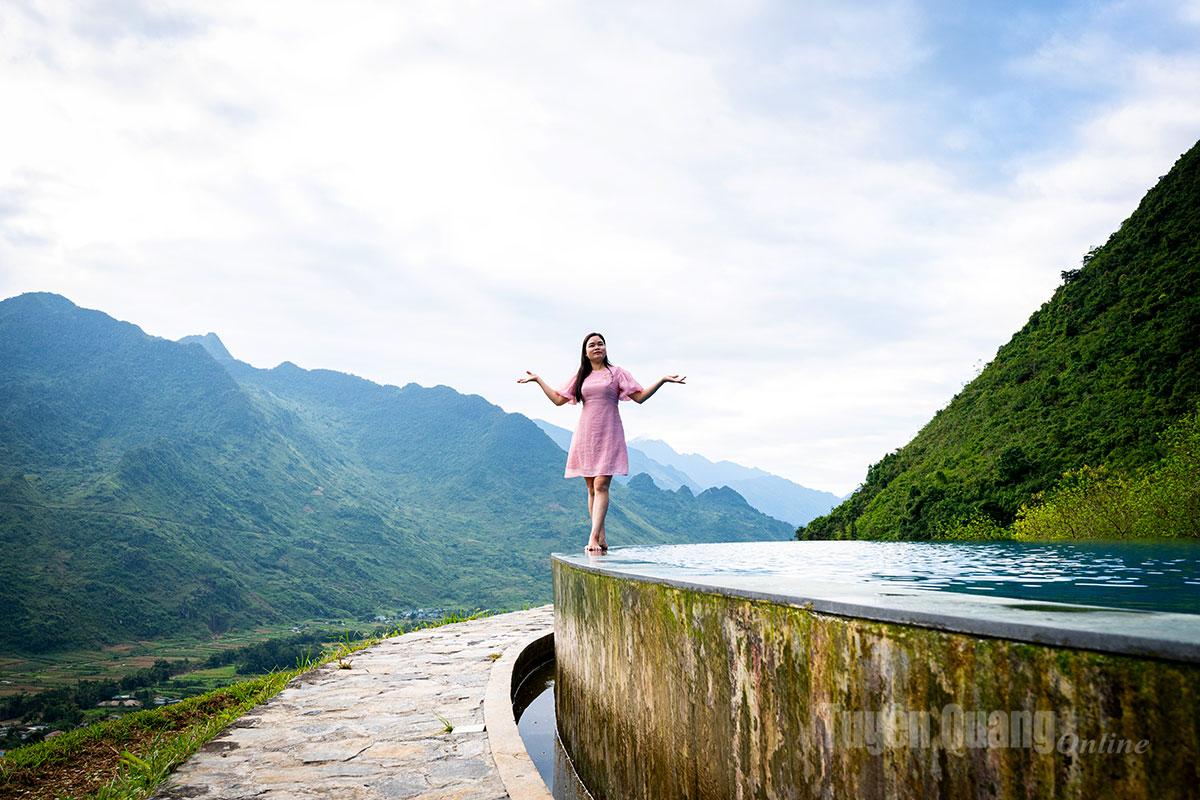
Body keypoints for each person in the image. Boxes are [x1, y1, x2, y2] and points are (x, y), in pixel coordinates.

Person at [519, 332, 685, 554]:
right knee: (590, 487)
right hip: (586, 434)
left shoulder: (616, 373)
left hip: (609, 432)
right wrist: (538, 380)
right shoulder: (581, 376)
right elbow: (558, 400)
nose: (597, 347)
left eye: (600, 344)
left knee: (601, 485)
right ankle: (602, 536)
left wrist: (663, 380)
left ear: (606, 348)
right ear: (585, 352)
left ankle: (593, 536)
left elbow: (640, 396)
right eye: (592, 345)